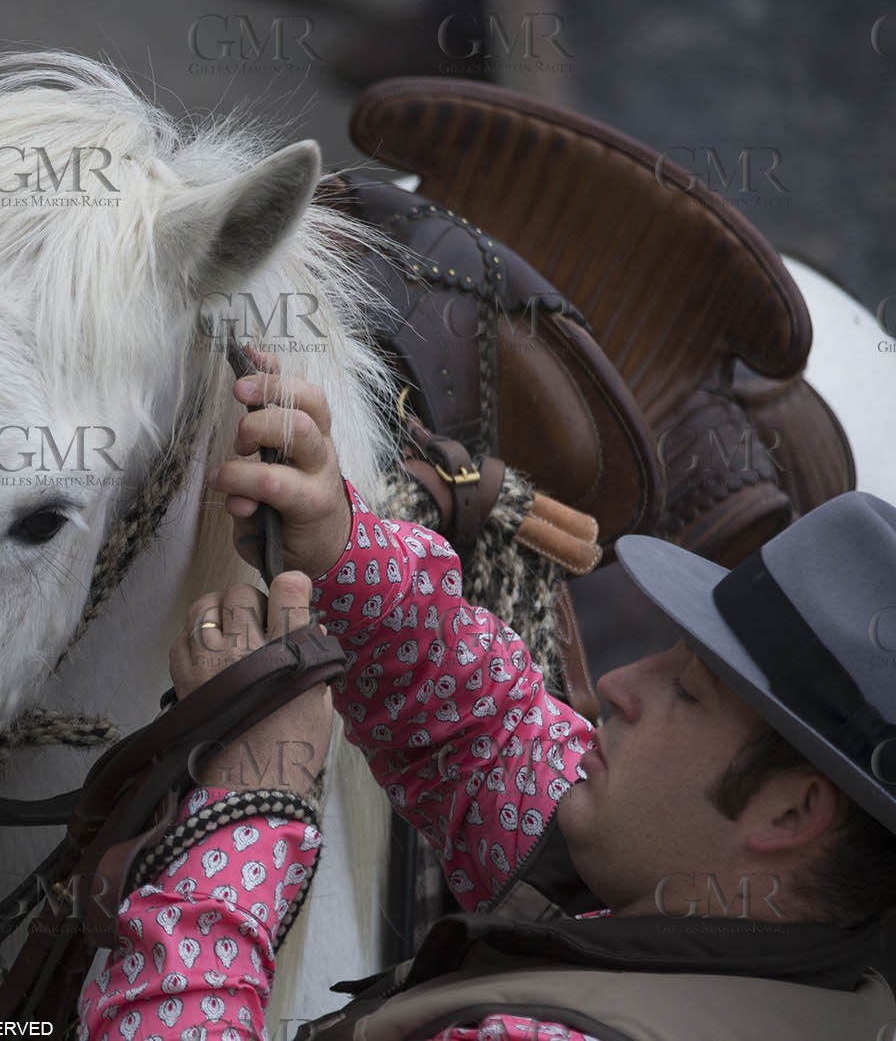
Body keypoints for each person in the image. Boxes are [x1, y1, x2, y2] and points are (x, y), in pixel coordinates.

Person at [78, 348, 896, 1041]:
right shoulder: (705, 903)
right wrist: (339, 550)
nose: (616, 684)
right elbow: (483, 733)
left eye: (687, 690)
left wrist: (243, 814)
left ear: (790, 814)